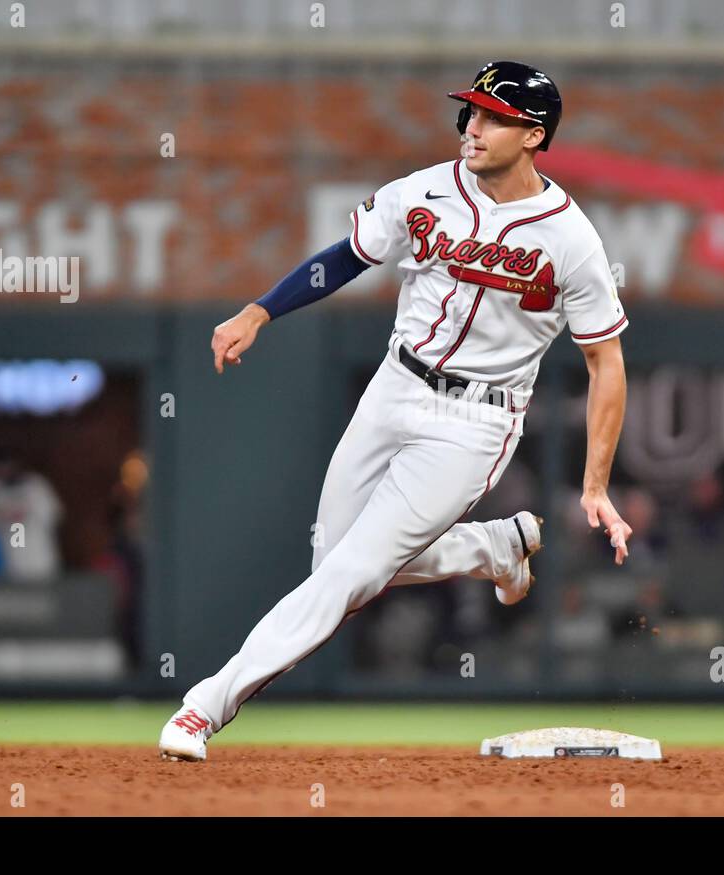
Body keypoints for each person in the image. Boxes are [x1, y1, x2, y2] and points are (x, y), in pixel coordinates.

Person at [160, 61, 632, 761]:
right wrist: (261, 311)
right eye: (469, 112)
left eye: (493, 117)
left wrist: (595, 485)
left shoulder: (571, 240)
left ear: (534, 135)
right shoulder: (425, 191)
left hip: (475, 420)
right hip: (394, 387)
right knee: (335, 559)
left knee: (349, 575)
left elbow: (606, 362)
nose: (473, 127)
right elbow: (345, 257)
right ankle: (489, 547)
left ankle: (205, 706)